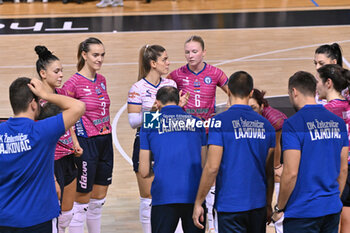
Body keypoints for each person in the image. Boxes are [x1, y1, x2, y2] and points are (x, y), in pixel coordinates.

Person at [193, 71, 275, 233]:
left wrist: (198, 202)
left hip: (230, 206)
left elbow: (212, 167)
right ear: (251, 92)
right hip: (257, 205)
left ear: (228, 91)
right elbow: (269, 172)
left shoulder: (219, 122)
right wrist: (267, 204)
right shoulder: (267, 126)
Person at [0, 77, 85, 232]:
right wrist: (46, 94)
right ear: (33, 103)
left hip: (4, 220)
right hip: (39, 220)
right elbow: (78, 107)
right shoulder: (43, 131)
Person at [272, 71, 349, 233]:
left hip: (302, 212)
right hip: (331, 209)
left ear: (294, 92)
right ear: (314, 91)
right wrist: (334, 199)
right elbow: (343, 169)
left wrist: (279, 207)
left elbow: (291, 173)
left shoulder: (293, 124)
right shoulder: (338, 123)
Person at [167, 35, 228, 233]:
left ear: (203, 52)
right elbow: (164, 99)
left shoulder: (216, 73)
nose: (190, 55)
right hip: (185, 135)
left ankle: (210, 223)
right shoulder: (176, 75)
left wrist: (228, 113)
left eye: (194, 51)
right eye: (187, 52)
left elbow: (234, 94)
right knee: (187, 174)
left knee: (209, 175)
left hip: (209, 134)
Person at [128, 44, 188, 233]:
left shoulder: (170, 85)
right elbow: (133, 121)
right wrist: (154, 112)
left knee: (171, 195)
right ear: (153, 63)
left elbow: (175, 118)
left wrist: (178, 107)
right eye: (164, 59)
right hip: (146, 143)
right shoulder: (137, 88)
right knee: (148, 198)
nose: (168, 63)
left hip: (169, 143)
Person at [60, 37, 114, 233]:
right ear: (84, 55)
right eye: (95, 55)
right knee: (82, 200)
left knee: (98, 200)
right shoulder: (72, 83)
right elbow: (65, 116)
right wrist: (74, 141)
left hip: (105, 140)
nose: (99, 59)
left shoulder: (102, 80)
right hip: (85, 143)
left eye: (102, 55)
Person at [139, 86, 207, 233]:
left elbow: (143, 171)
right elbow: (204, 165)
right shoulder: (196, 122)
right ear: (178, 101)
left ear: (157, 103)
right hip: (194, 196)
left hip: (163, 194)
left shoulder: (150, 123)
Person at [34, 45, 84, 233]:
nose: (61, 75)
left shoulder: (61, 95)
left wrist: (75, 143)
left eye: (62, 70)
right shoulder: (36, 101)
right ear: (43, 73)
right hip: (51, 162)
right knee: (54, 216)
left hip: (68, 157)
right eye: (56, 71)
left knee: (67, 215)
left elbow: (69, 121)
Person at [316, 64, 350, 233]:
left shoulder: (327, 111)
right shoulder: (347, 104)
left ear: (328, 83)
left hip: (338, 168)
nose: (316, 87)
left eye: (317, 82)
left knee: (331, 221)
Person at [248, 89, 287, 199]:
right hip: (266, 147)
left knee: (276, 175)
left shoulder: (275, 120)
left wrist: (277, 166)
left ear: (261, 106)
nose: (249, 112)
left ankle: (279, 209)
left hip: (283, 149)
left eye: (253, 108)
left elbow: (277, 145)